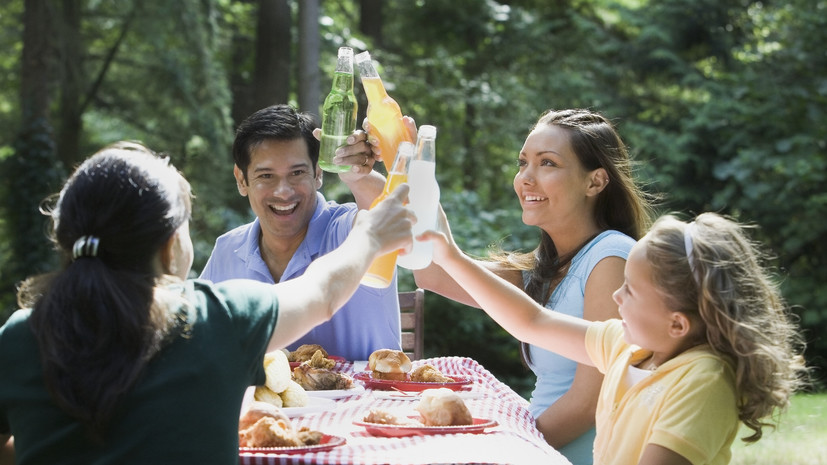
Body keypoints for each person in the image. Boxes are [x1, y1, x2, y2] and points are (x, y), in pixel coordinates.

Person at [0, 142, 413, 464]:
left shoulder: (19, 334)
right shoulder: (219, 317)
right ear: (169, 245)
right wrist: (371, 237)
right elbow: (321, 293)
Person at [422, 210, 808, 465]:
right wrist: (451, 255)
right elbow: (532, 321)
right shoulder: (630, 347)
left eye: (631, 292)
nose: (616, 297)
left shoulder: (704, 381)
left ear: (677, 325)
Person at [412, 109, 653, 464]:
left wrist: (514, 450)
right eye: (523, 162)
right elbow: (432, 271)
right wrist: (404, 170)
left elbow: (588, 403)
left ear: (595, 182)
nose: (525, 177)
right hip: (539, 447)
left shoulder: (611, 257)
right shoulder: (547, 268)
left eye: (547, 164)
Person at [199, 104, 404, 361]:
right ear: (242, 180)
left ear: (318, 173)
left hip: (369, 401)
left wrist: (358, 176)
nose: (283, 191)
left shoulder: (351, 231)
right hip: (261, 401)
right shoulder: (227, 250)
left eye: (297, 173)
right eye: (266, 176)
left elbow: (387, 212)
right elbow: (197, 340)